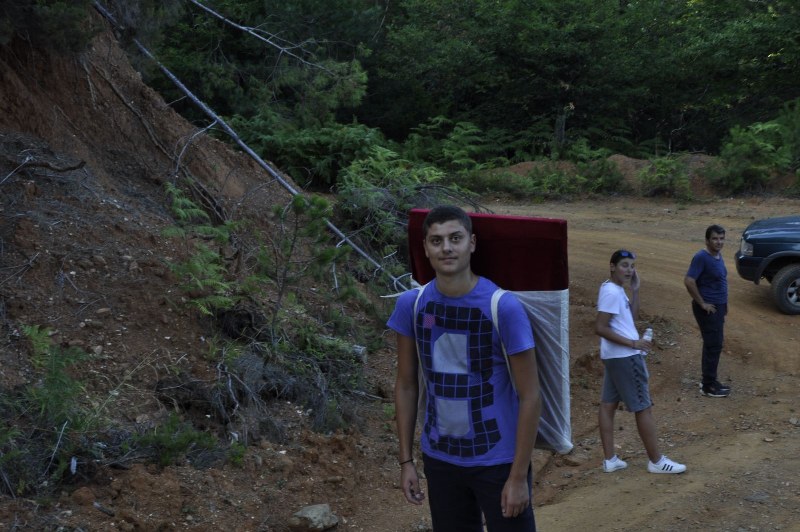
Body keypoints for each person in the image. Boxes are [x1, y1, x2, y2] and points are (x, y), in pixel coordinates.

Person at [388, 205, 542, 532]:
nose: (446, 248)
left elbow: (530, 395)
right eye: (437, 240)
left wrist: (518, 476)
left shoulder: (504, 307)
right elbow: (406, 385)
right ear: (425, 248)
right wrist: (406, 461)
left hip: (498, 461)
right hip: (441, 460)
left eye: (455, 238)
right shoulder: (411, 305)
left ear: (472, 243)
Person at [595, 249, 686, 475]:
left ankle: (610, 459)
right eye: (624, 265)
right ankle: (656, 461)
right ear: (612, 266)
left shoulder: (614, 289)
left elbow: (631, 318)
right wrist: (633, 343)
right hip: (626, 357)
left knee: (608, 405)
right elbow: (600, 327)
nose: (629, 270)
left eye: (632, 266)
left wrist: (635, 291)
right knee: (643, 407)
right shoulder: (612, 292)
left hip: (614, 357)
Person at [684, 224, 731, 398]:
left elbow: (720, 281)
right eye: (715, 239)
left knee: (713, 344)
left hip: (718, 307)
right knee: (713, 345)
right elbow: (689, 280)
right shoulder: (701, 257)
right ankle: (708, 386)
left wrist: (724, 304)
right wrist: (702, 303)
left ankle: (709, 381)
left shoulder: (717, 256)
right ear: (707, 240)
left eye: (721, 238)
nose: (719, 242)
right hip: (708, 309)